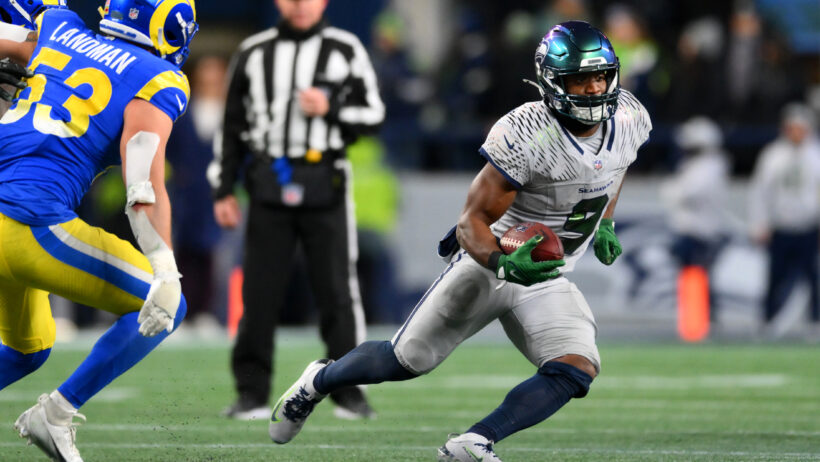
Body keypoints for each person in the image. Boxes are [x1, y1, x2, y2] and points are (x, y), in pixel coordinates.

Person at [268, 20, 652, 461]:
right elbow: (471, 222)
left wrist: (606, 222)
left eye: (601, 75)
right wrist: (503, 263)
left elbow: (614, 167)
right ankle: (316, 382)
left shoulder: (629, 117)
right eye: (581, 79)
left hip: (547, 274)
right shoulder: (527, 132)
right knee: (405, 360)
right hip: (492, 260)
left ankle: (473, 442)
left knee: (576, 367)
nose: (595, 88)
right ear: (553, 82)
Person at [0, 1, 198, 461]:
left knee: (28, 348)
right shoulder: (156, 77)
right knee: (167, 303)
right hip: (29, 224)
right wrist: (165, 268)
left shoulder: (57, 26)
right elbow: (143, 188)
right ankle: (56, 413)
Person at [208, 0, 385, 420]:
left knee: (337, 292)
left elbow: (374, 114)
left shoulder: (345, 48)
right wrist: (223, 189)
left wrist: (331, 109)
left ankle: (349, 392)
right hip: (269, 181)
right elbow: (231, 124)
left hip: (326, 181)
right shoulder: (253, 51)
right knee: (258, 292)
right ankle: (251, 393)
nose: (301, 4)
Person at [166, 55, 228, 332]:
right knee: (183, 252)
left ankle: (208, 310)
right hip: (186, 194)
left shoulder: (231, 113)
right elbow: (171, 149)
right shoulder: (184, 112)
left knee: (216, 254)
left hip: (218, 193)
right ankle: (183, 309)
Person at [748, 103, 820, 334]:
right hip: (782, 226)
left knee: (813, 278)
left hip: (809, 226)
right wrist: (760, 224)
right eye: (792, 128)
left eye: (800, 128)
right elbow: (760, 192)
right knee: (775, 277)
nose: (796, 133)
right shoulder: (773, 155)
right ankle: (768, 320)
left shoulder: (815, 154)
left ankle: (815, 320)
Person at [661, 116, 731, 322]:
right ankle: (695, 319)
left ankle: (704, 320)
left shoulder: (711, 166)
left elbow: (687, 193)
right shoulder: (693, 165)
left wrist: (673, 190)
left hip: (701, 231)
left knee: (698, 277)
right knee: (690, 277)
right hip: (689, 230)